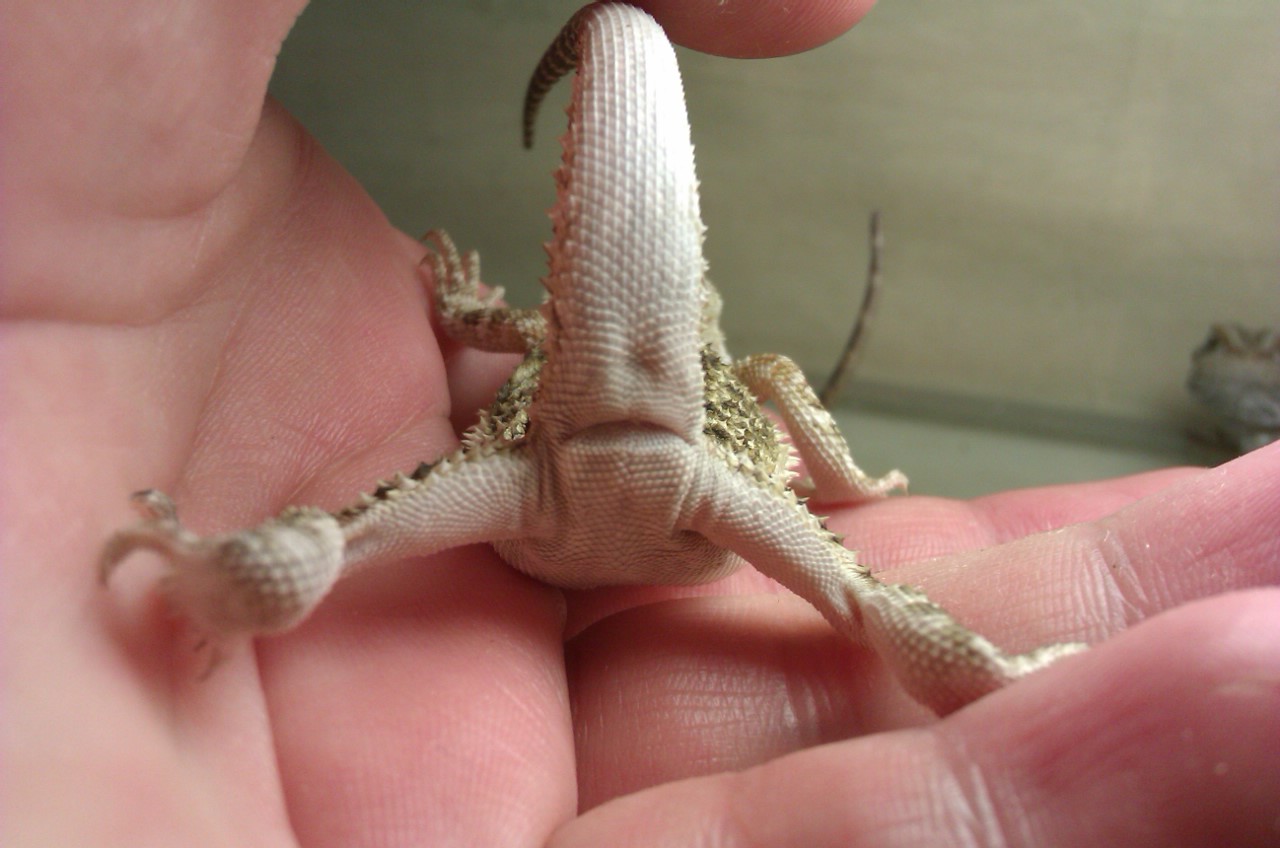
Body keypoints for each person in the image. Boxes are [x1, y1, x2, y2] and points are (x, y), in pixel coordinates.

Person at [4, 1, 1276, 844]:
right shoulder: (732, 366)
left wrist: (465, 305)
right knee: (857, 597)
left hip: (532, 493)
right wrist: (850, 480)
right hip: (692, 498)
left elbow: (497, 325)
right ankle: (990, 678)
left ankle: (217, 582)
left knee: (344, 540)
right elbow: (781, 408)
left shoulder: (560, 342)